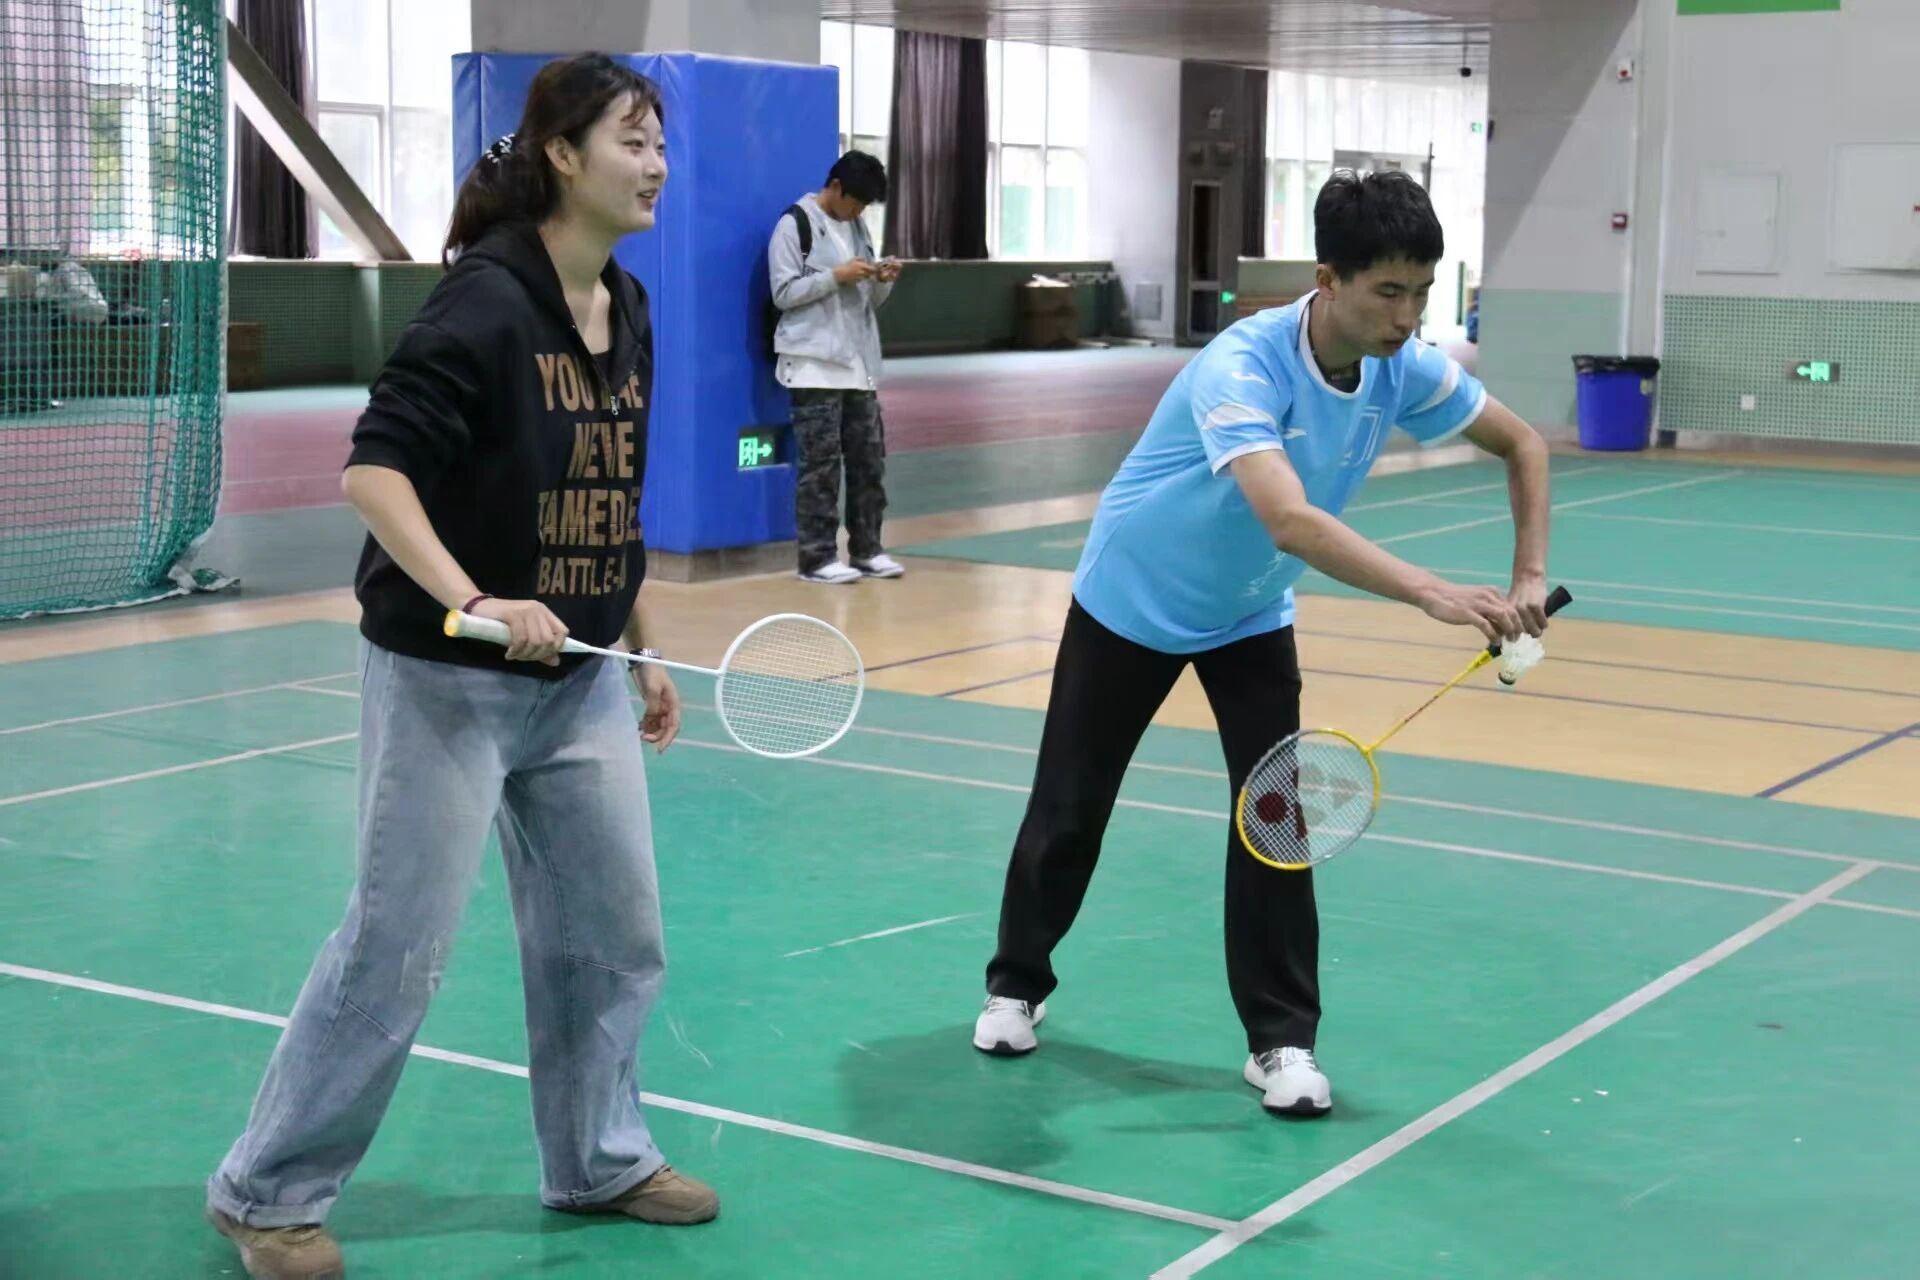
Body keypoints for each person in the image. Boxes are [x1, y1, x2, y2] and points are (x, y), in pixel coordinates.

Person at [206, 55, 716, 1280]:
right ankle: (266, 1191)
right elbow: (374, 473)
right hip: (448, 681)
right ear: (562, 155)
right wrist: (475, 601)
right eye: (632, 141)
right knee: (397, 947)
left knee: (614, 935)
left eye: (660, 143)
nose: (656, 164)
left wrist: (639, 641)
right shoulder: (481, 304)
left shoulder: (629, 306)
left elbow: (606, 494)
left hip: (580, 680)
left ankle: (598, 1157)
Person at [971, 170, 1553, 1120]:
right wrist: (1431, 591)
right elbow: (1288, 518)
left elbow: (1524, 444)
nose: (1407, 316)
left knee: (1275, 822)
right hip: (1131, 600)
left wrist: (1529, 575)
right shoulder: (1242, 367)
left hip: (1249, 614)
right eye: (1387, 292)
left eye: (1420, 292)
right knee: (1071, 805)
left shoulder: (1402, 366)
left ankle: (1282, 1042)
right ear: (1328, 279)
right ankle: (1015, 984)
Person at [768, 150, 905, 584]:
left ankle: (868, 549)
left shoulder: (858, 227)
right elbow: (783, 293)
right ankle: (817, 558)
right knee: (821, 466)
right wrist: (836, 276)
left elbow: (867, 302)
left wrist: (881, 281)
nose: (859, 212)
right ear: (836, 187)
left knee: (869, 462)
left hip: (858, 363)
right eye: (856, 202)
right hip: (812, 365)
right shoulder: (795, 224)